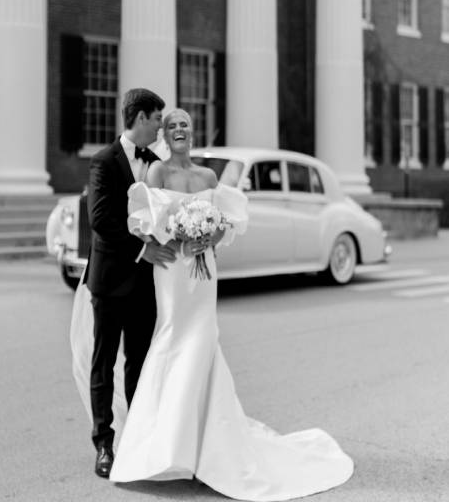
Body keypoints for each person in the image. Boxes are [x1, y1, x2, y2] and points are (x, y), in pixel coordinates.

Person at [72, 108, 354, 500]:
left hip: (203, 273)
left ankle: (205, 450)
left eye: (184, 125)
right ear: (164, 136)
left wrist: (209, 237)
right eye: (171, 126)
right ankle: (163, 446)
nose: (178, 130)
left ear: (192, 131)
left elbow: (224, 221)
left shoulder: (208, 177)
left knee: (203, 343)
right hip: (172, 271)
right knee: (171, 339)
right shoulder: (156, 173)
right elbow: (147, 222)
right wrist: (175, 239)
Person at [83, 88, 177, 478]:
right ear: (140, 117)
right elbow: (101, 220)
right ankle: (104, 444)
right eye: (157, 118)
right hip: (109, 280)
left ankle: (136, 439)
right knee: (104, 364)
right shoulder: (104, 161)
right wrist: (143, 250)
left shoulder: (157, 163)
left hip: (143, 284)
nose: (161, 125)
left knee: (139, 362)